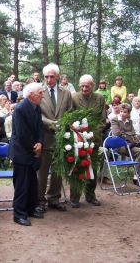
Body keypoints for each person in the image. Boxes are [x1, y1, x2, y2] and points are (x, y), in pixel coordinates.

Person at [38, 63, 72, 213]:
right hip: (45, 138)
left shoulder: (66, 93)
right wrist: (53, 124)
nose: (49, 79)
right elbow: (37, 115)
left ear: (58, 77)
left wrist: (64, 124)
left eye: (52, 76)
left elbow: (70, 112)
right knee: (42, 173)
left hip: (61, 139)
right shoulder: (38, 91)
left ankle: (54, 198)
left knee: (58, 171)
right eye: (46, 77)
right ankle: (40, 200)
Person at [10, 82, 44, 226]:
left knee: (32, 183)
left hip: (32, 150)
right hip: (21, 152)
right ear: (31, 95)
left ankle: (31, 208)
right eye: (40, 92)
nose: (42, 95)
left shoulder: (37, 107)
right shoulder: (20, 109)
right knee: (22, 185)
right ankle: (19, 214)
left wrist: (40, 142)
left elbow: (40, 128)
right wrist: (34, 147)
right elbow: (22, 133)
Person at [70, 74, 106, 208]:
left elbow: (103, 120)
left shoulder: (100, 98)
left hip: (94, 138)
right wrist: (79, 132)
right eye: (82, 86)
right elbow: (69, 117)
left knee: (93, 169)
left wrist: (93, 132)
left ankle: (90, 196)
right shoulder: (73, 97)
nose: (84, 88)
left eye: (87, 86)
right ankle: (74, 197)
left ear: (93, 85)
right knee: (77, 169)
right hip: (77, 138)